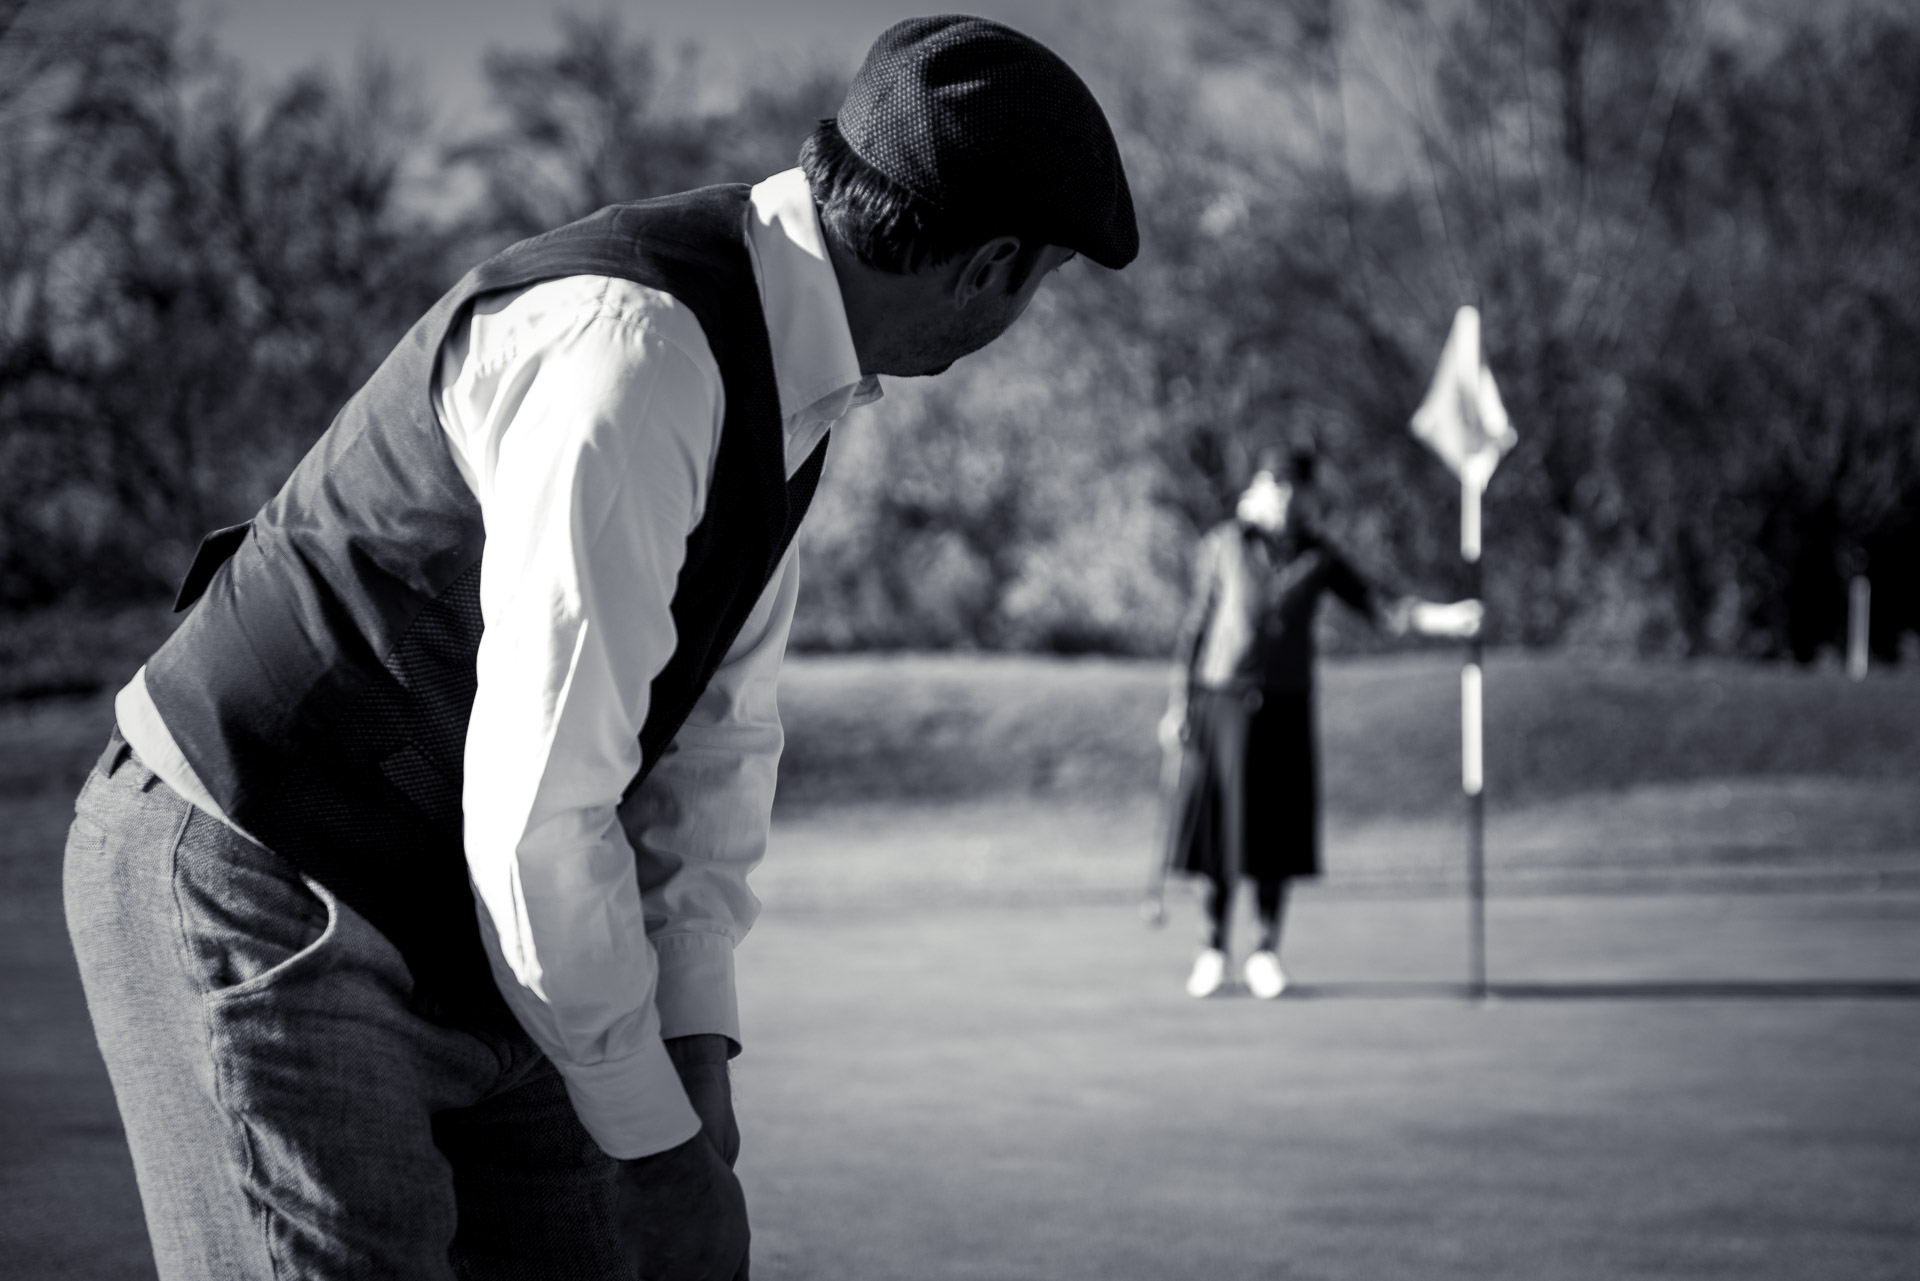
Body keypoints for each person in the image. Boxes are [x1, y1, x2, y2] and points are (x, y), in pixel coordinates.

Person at [62, 16, 1136, 1280]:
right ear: (992, 266)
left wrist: (692, 1057)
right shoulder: (640, 354)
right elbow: (538, 816)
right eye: (1041, 284)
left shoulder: (787, 371)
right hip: (265, 865)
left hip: (461, 908)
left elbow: (714, 738)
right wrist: (659, 1155)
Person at [1158, 448, 1479, 1000]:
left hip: (1286, 705)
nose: (1284, 498)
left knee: (1274, 838)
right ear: (1260, 489)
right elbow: (1196, 628)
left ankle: (1264, 952)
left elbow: (1379, 606)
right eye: (1274, 485)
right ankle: (1212, 949)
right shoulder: (1225, 544)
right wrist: (1177, 704)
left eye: (1293, 489)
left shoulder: (1319, 555)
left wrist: (1443, 620)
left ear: (1307, 496)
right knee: (1218, 840)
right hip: (1221, 701)